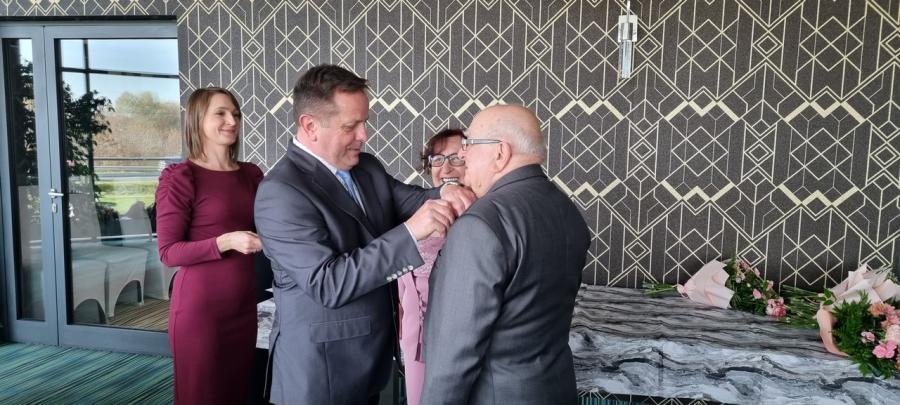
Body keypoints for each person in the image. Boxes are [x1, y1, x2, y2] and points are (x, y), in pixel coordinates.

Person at [253, 65, 475, 405]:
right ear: (310, 126)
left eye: (364, 122)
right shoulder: (280, 192)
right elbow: (328, 283)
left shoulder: (366, 166)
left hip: (370, 361)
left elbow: (414, 199)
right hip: (320, 373)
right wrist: (410, 233)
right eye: (351, 126)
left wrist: (448, 191)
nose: (364, 134)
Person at [420, 105, 591, 404]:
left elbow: (453, 356)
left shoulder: (481, 223)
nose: (463, 155)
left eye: (469, 144)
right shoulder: (567, 210)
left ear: (500, 153)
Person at [155, 87, 264, 404]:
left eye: (236, 114)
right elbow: (168, 252)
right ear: (197, 119)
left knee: (236, 395)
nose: (232, 120)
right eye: (221, 113)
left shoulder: (251, 174)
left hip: (244, 308)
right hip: (201, 313)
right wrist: (226, 241)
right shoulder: (181, 177)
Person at [397, 128, 466, 405]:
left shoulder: (485, 216)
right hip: (415, 343)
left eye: (456, 158)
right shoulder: (416, 215)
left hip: (461, 345)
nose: (446, 168)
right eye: (437, 159)